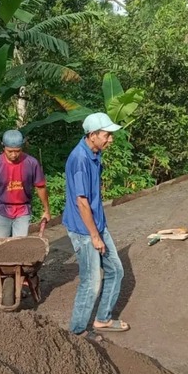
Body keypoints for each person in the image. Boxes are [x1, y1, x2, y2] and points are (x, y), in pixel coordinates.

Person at [62, 113, 129, 342]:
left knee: (116, 270)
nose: (111, 139)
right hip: (84, 230)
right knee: (91, 282)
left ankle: (102, 319)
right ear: (92, 135)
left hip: (97, 224)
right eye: (107, 135)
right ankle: (78, 331)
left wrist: (99, 230)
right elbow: (81, 202)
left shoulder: (94, 153)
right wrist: (94, 236)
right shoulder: (80, 159)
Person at [0, 130, 50, 237]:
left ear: (22, 148)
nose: (14, 155)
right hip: (1, 210)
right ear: (3, 148)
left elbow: (40, 187)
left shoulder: (31, 163)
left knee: (19, 245)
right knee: (2, 246)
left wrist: (46, 210)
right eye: (10, 151)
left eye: (17, 151)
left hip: (23, 210)